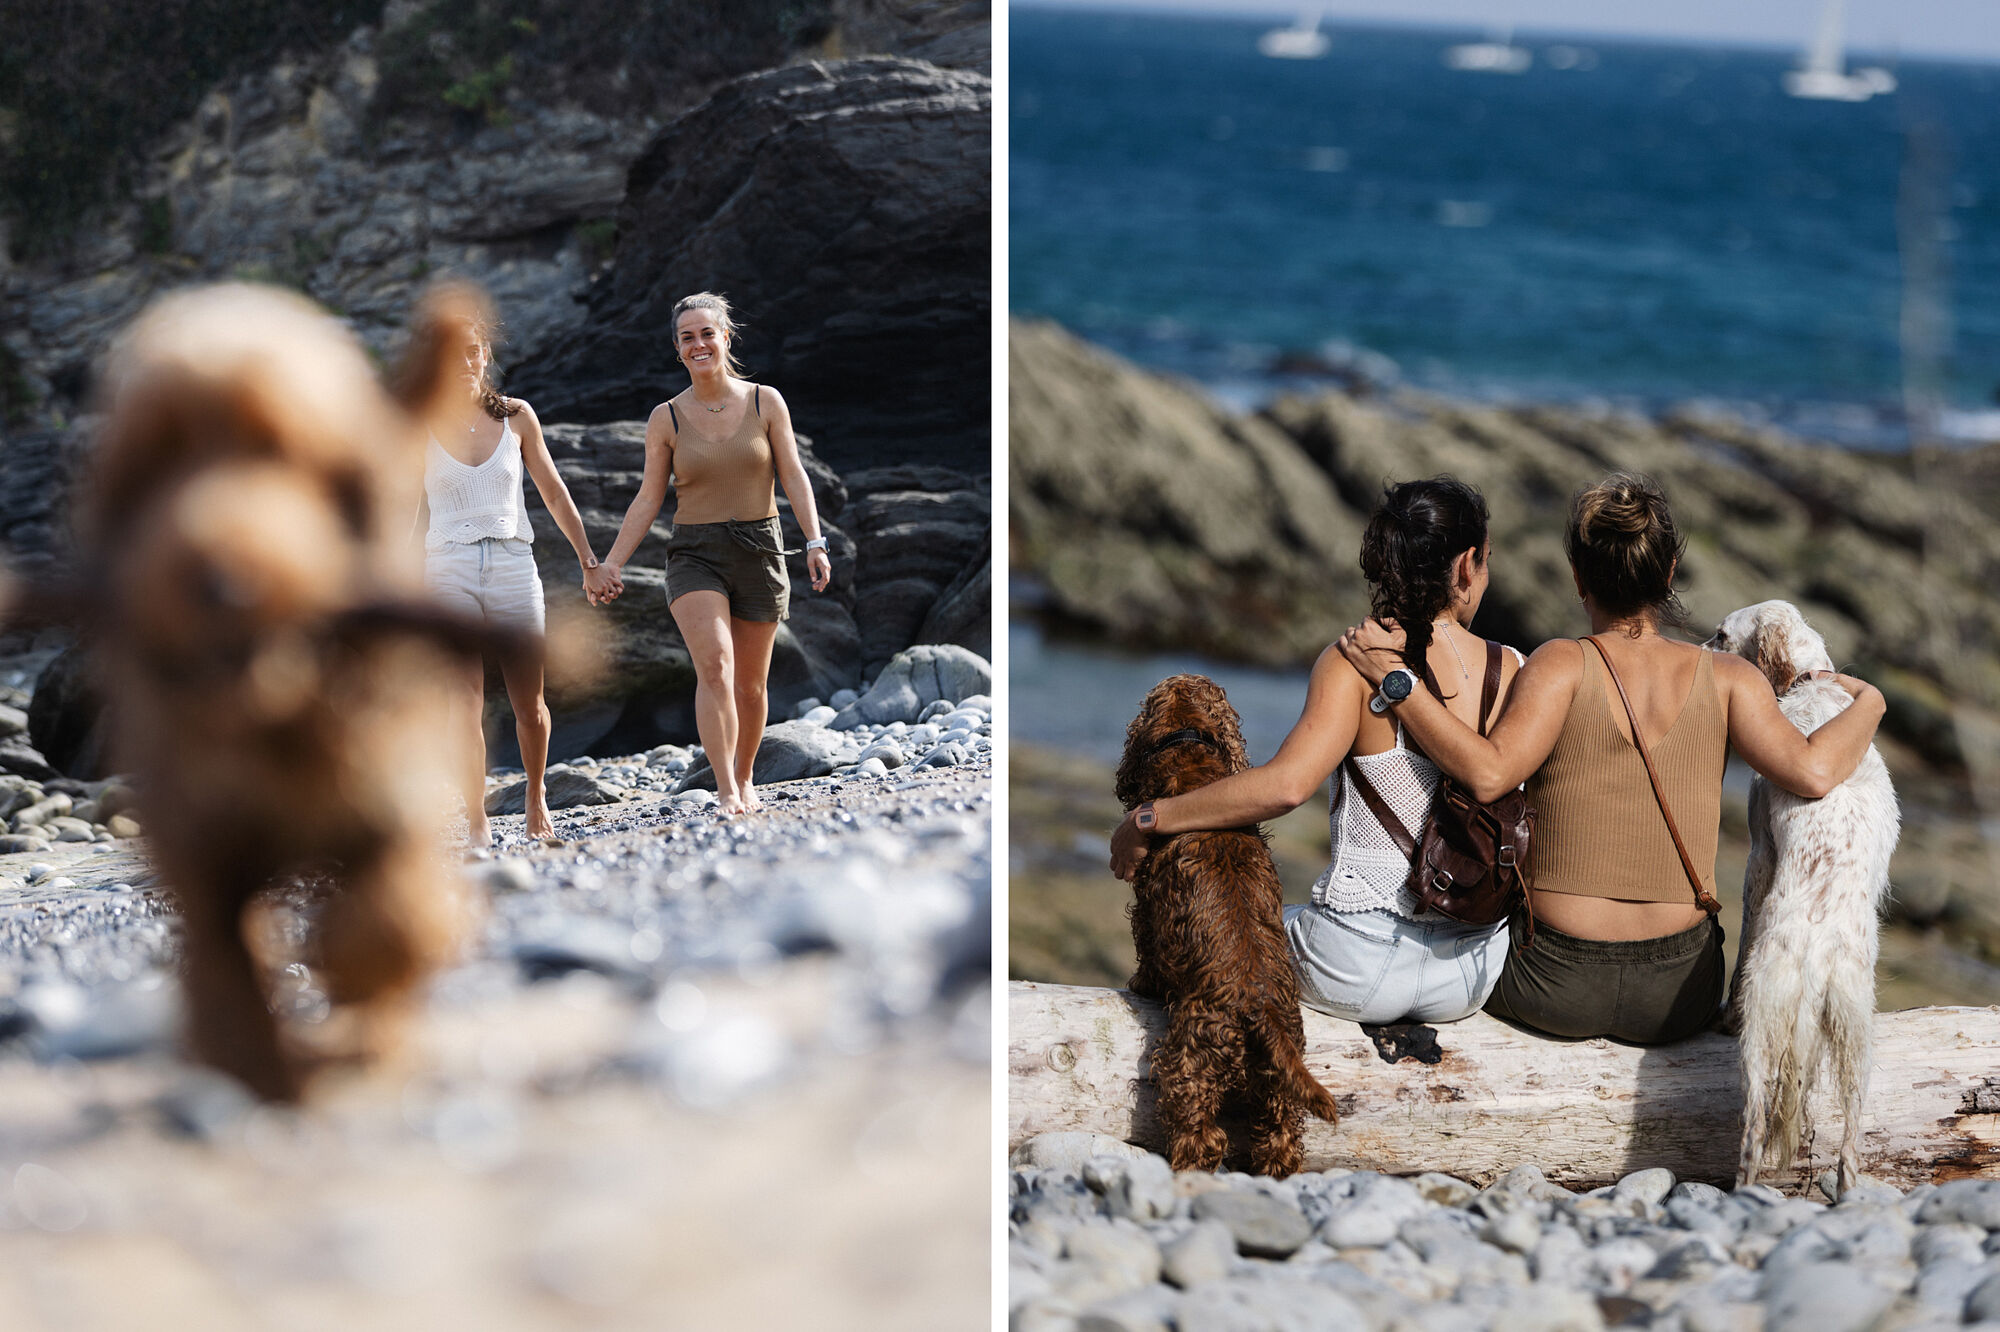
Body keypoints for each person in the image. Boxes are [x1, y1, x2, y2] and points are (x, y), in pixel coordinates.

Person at [1337, 473, 1886, 1044]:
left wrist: (1399, 684)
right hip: (1677, 995)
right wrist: (1871, 701)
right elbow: (1815, 772)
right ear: (1669, 572)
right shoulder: (1731, 679)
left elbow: (1488, 774)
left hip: (1552, 981)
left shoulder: (1559, 665)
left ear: (1578, 577)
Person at [1110, 477, 1525, 1024]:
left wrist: (1150, 817)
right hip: (1469, 974)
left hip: (1358, 964)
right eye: (1488, 562)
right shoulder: (1515, 669)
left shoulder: (1352, 663)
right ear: (1467, 566)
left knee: (1234, 934)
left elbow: (1286, 787)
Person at [590, 292, 832, 815]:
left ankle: (745, 778)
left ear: (726, 337)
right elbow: (648, 497)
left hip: (761, 549)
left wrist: (815, 541)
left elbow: (793, 474)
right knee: (716, 668)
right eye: (687, 337)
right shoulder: (666, 418)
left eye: (707, 333)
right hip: (695, 554)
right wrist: (612, 563)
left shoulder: (766, 402)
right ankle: (724, 789)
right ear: (677, 348)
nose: (698, 344)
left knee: (751, 686)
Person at [419, 294, 603, 847]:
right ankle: (476, 818)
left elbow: (553, 491)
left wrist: (589, 562)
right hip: (446, 565)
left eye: (472, 350)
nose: (463, 361)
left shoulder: (517, 415)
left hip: (513, 562)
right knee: (464, 703)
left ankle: (535, 795)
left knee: (531, 704)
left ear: (486, 353)